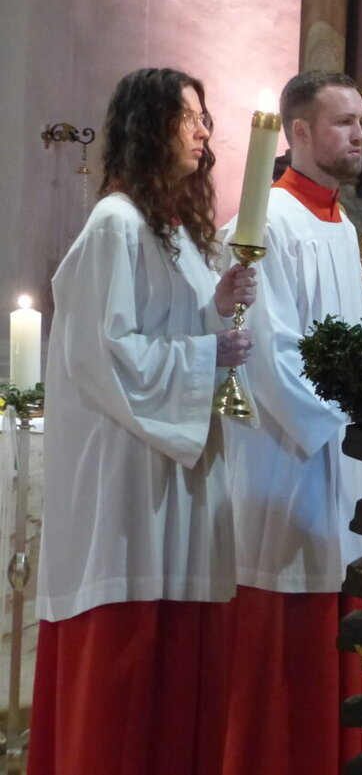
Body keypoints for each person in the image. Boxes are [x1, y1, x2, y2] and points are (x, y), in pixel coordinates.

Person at [29, 67, 255, 775]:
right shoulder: (115, 225)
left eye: (204, 118)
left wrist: (214, 306)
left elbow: (168, 328)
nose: (204, 131)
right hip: (128, 486)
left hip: (173, 481)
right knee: (124, 691)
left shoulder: (173, 233)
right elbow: (105, 354)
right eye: (189, 117)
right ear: (149, 125)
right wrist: (205, 352)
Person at [220, 70, 362, 775]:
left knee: (337, 647)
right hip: (286, 470)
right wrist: (349, 420)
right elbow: (267, 360)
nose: (359, 133)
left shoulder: (341, 224)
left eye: (360, 121)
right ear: (297, 133)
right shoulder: (260, 226)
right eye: (344, 121)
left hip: (339, 472)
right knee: (280, 660)